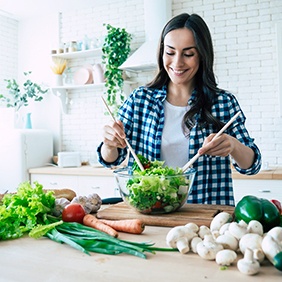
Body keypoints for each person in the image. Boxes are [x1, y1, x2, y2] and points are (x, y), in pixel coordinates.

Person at [97, 13, 261, 206]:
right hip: (150, 215)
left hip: (205, 217)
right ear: (161, 53)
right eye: (170, 52)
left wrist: (233, 146)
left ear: (202, 54)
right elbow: (112, 160)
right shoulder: (140, 100)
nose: (177, 63)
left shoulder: (223, 103)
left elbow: (252, 165)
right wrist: (109, 144)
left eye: (188, 54)